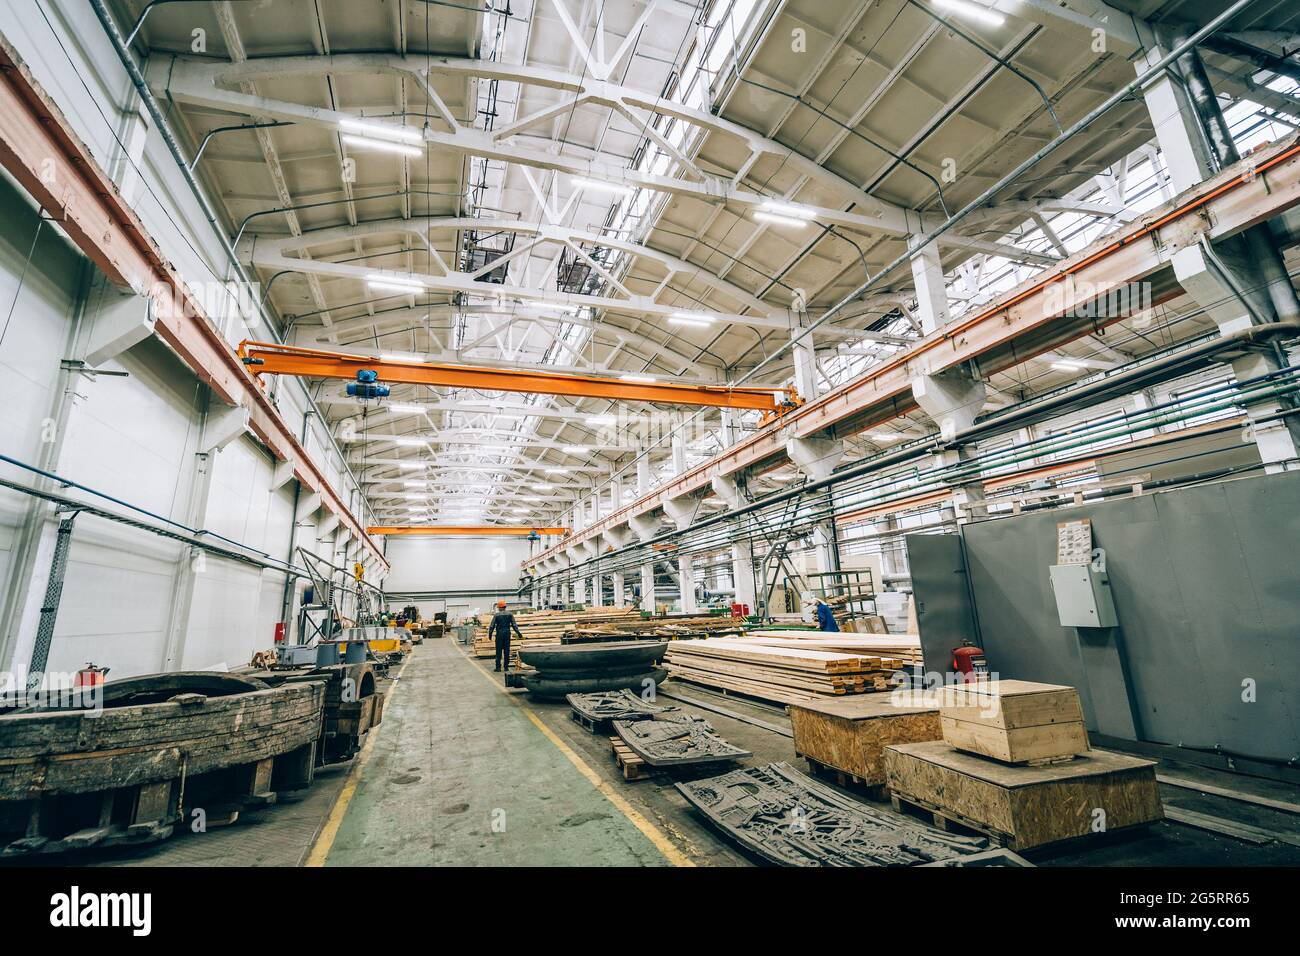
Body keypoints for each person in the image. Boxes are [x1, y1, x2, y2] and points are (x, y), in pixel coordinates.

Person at [490, 600, 524, 673]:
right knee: (506, 651)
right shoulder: (510, 614)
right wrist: (519, 633)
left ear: (499, 607)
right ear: (505, 607)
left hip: (499, 634)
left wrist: (490, 634)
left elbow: (492, 626)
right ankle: (506, 667)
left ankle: (498, 668)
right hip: (507, 634)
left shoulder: (496, 615)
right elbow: (514, 625)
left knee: (498, 651)